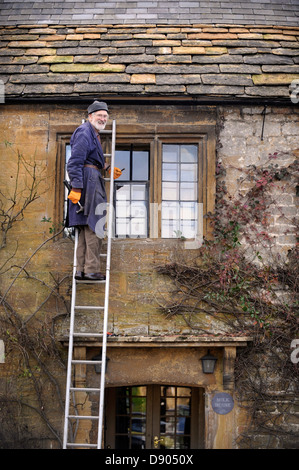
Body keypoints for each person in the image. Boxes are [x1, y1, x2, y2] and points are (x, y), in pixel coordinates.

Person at [66, 100, 122, 281]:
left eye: (105, 116)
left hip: (89, 178)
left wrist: (106, 167)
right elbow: (74, 162)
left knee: (84, 227)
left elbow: (90, 158)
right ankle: (91, 270)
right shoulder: (84, 132)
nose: (103, 118)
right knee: (94, 224)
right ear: (90, 116)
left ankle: (81, 271)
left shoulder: (92, 133)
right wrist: (76, 187)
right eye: (100, 115)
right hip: (87, 182)